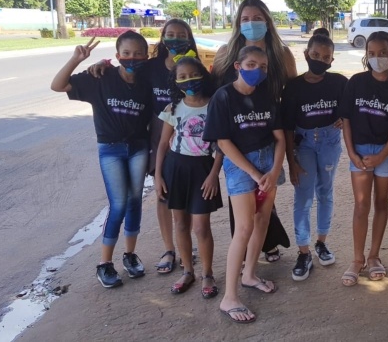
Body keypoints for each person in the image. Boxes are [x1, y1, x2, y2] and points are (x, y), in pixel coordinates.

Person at [89, 19, 201, 275]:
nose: (175, 39)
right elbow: (126, 71)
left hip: (189, 140)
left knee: (185, 197)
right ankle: (169, 249)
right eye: (170, 34)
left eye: (181, 35)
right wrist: (103, 63)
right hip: (158, 140)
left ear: (189, 38)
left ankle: (187, 247)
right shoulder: (150, 68)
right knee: (163, 194)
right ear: (163, 38)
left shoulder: (194, 67)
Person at [51, 32, 153, 288]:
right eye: (126, 54)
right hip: (111, 150)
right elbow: (58, 85)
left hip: (139, 148)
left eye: (138, 54)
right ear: (117, 56)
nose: (132, 58)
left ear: (146, 56)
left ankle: (130, 255)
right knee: (118, 204)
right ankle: (104, 263)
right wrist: (77, 60)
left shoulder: (147, 81)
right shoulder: (100, 77)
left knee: (134, 201)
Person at [203, 46, 286, 324]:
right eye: (251, 64)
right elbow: (223, 142)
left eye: (263, 66)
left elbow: (279, 137)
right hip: (240, 165)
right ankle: (229, 297)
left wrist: (274, 170)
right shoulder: (223, 97)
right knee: (244, 227)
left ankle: (249, 274)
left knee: (262, 220)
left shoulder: (267, 96)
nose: (258, 70)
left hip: (268, 161)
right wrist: (253, 173)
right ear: (238, 66)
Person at [212, 0, 295, 262]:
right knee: (242, 199)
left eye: (257, 18)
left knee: (264, 192)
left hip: (268, 135)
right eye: (245, 19)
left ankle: (264, 244)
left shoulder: (281, 54)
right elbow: (209, 88)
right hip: (234, 139)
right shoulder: (226, 53)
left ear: (268, 22)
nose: (251, 23)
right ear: (238, 24)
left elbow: (295, 94)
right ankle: (246, 255)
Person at [338, 31, 388, 286]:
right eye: (371, 53)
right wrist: (351, 153)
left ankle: (374, 256)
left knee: (381, 202)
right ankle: (357, 259)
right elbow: (346, 119)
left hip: (385, 153)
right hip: (359, 151)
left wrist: (382, 156)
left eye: (383, 53)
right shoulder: (356, 82)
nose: (377, 58)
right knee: (361, 205)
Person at [281, 34, 348, 281]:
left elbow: (351, 109)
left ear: (332, 60)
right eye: (315, 55)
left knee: (325, 192)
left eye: (326, 57)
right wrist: (291, 161)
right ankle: (304, 252)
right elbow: (288, 127)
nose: (320, 60)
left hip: (330, 143)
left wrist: (345, 118)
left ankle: (321, 242)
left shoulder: (340, 83)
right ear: (306, 54)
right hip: (304, 145)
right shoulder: (294, 87)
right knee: (303, 196)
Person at [154, 57, 223, 298]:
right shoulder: (173, 108)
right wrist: (158, 176)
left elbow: (221, 146)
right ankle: (187, 271)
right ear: (175, 81)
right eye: (182, 77)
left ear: (203, 75)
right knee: (180, 223)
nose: (188, 81)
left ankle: (207, 274)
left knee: (201, 227)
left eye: (193, 75)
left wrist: (214, 174)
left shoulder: (215, 106)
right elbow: (163, 144)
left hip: (203, 169)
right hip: (175, 168)